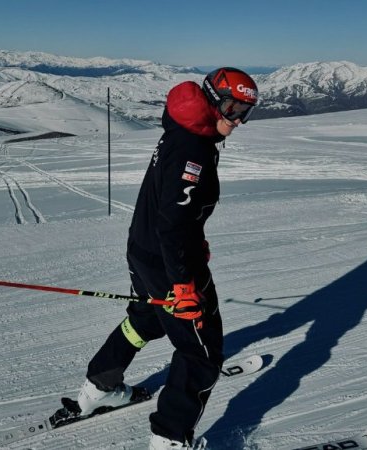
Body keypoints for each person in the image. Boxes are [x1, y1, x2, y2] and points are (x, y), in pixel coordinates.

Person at [76, 67, 259, 449]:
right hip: (170, 263)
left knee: (144, 318)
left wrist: (193, 237)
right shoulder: (193, 149)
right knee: (201, 351)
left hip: (143, 251)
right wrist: (182, 282)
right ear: (210, 100)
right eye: (231, 107)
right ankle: (170, 438)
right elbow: (174, 225)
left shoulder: (185, 131)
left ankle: (99, 386)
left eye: (246, 111)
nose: (237, 119)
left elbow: (172, 208)